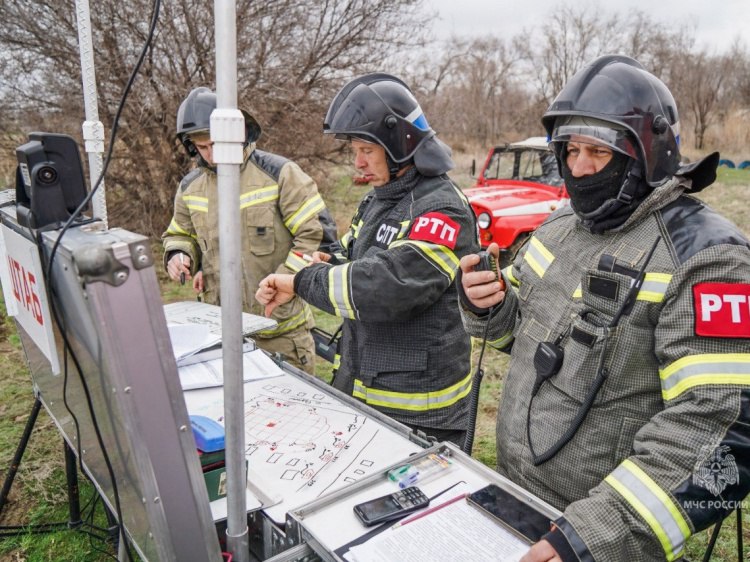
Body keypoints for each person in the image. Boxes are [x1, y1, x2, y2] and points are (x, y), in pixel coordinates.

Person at [459, 55, 750, 562]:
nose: (579, 168)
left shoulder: (707, 258)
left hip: (598, 536)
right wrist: (488, 305)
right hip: (517, 501)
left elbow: (719, 428)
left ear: (649, 153)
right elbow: (529, 339)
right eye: (570, 150)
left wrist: (589, 538)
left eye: (597, 150)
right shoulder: (564, 223)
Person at [255, 73, 480, 447]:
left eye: (367, 151)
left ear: (398, 146)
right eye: (355, 150)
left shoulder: (442, 209)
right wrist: (325, 260)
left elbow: (385, 287)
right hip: (364, 393)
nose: (357, 163)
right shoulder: (380, 198)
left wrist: (301, 282)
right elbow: (352, 255)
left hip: (420, 414)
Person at [163, 87, 337, 374]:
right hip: (220, 334)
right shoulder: (189, 187)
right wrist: (180, 255)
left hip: (280, 333)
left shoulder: (280, 173)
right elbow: (179, 234)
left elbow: (316, 234)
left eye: (216, 144)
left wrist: (284, 280)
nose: (211, 154)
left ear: (237, 133)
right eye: (202, 147)